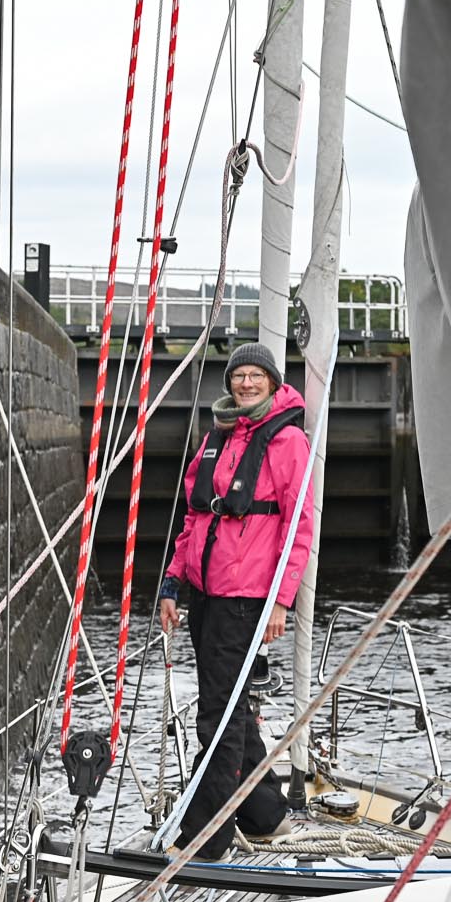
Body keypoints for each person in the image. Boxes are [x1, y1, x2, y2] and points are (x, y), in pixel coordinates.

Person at [157, 341, 320, 852]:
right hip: (207, 594)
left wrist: (281, 601)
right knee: (233, 710)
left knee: (218, 714)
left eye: (256, 375)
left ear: (273, 382)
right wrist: (171, 584)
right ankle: (266, 813)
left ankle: (207, 836)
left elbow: (299, 528)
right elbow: (194, 519)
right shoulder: (217, 438)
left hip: (247, 598)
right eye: (238, 376)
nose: (245, 383)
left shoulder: (288, 441)